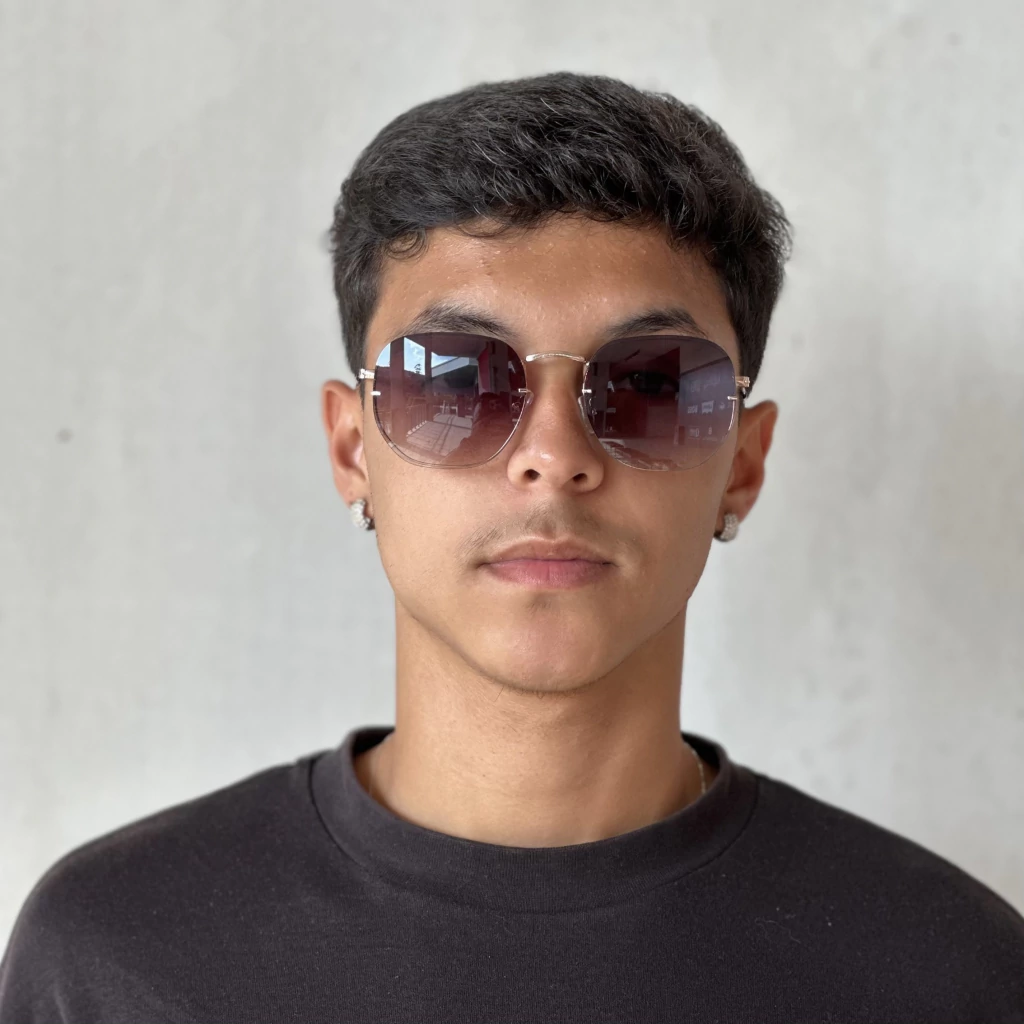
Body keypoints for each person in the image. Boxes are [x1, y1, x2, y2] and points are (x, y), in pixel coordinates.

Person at [2, 71, 1022, 1023]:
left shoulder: (946, 974)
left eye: (653, 384)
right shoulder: (113, 959)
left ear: (742, 464)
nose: (553, 456)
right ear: (354, 450)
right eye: (454, 379)